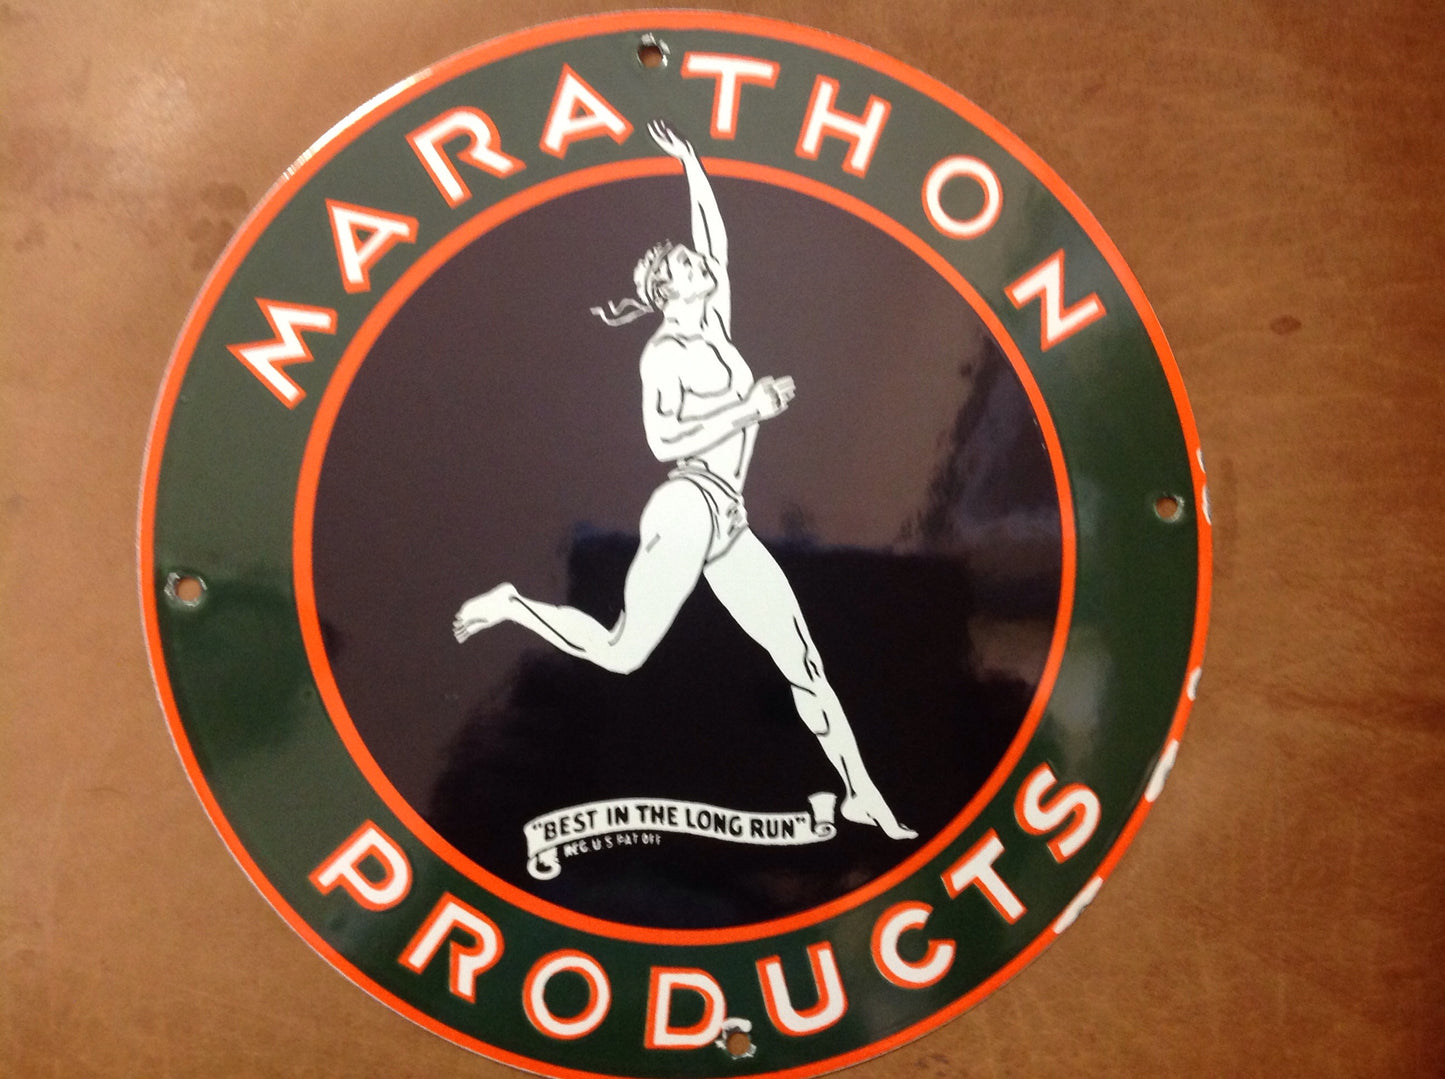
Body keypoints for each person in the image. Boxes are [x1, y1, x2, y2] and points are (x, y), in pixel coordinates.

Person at [453, 120, 914, 840]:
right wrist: (750, 407)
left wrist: (692, 164)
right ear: (669, 289)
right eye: (689, 266)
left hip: (729, 518)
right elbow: (661, 439)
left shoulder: (716, 327)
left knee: (801, 658)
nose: (704, 265)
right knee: (623, 652)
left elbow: (716, 241)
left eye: (700, 265)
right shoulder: (665, 353)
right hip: (688, 502)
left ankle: (862, 794)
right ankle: (514, 604)